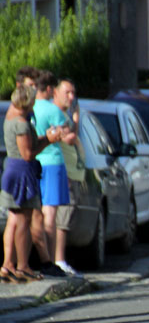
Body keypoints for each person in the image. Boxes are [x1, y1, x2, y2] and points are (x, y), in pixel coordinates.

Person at [2, 68, 67, 278]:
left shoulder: (15, 116)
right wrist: (48, 140)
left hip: (17, 170)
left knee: (17, 219)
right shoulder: (20, 122)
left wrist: (46, 138)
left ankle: (10, 265)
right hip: (21, 173)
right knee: (23, 221)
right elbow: (28, 154)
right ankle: (22, 266)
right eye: (30, 89)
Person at [32, 70, 77, 271]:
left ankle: (38, 258)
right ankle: (50, 261)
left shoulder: (30, 107)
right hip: (52, 161)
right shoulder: (52, 110)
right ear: (50, 89)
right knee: (50, 214)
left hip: (34, 161)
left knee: (36, 214)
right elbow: (68, 135)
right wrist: (74, 119)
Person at [52, 77, 84, 277]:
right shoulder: (56, 114)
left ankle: (59, 259)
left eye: (73, 93)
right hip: (63, 174)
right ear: (55, 92)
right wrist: (74, 122)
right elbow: (68, 139)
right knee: (61, 220)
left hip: (71, 173)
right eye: (67, 92)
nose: (71, 97)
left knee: (66, 218)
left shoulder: (65, 114)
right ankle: (58, 259)